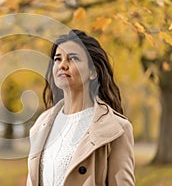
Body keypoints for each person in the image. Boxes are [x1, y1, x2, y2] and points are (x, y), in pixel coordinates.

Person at [27, 30, 135, 186]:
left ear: (92, 72)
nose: (62, 65)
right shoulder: (41, 124)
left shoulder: (116, 129)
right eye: (58, 59)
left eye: (73, 59)